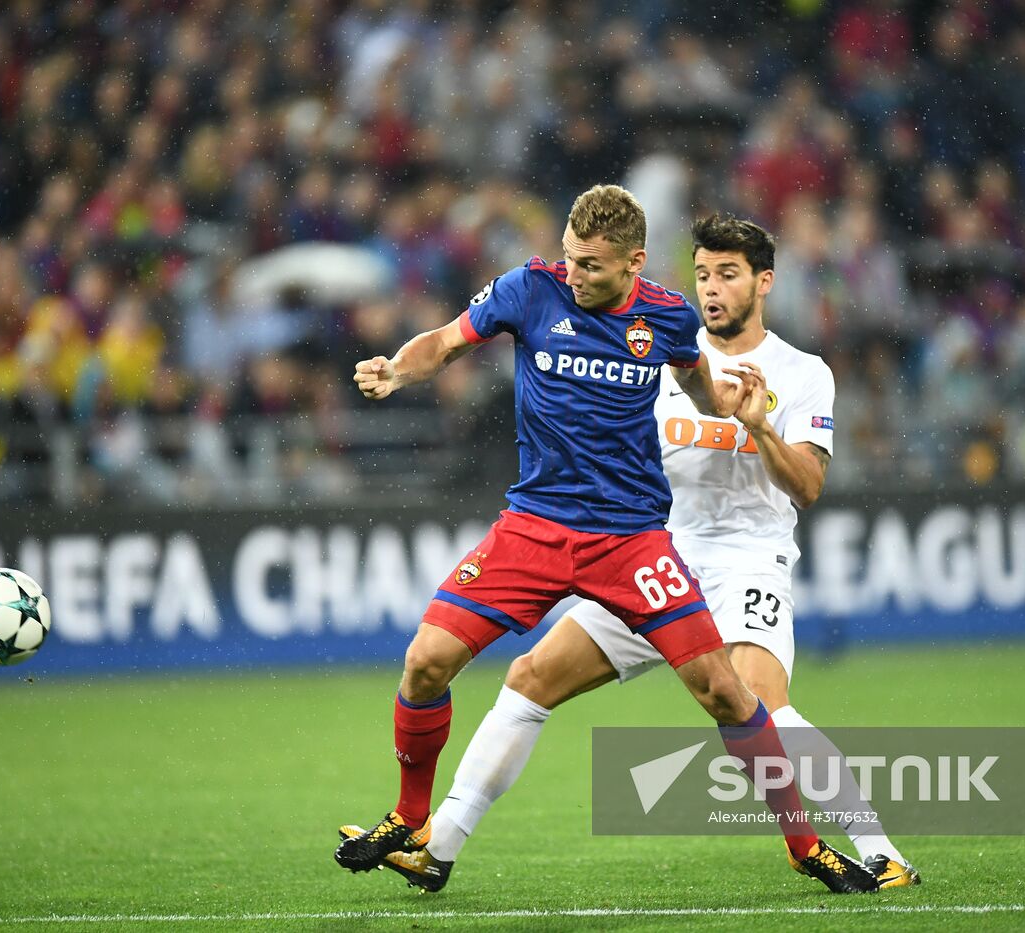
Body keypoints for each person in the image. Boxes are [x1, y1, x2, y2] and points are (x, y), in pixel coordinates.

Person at [336, 186, 878, 894]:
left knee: (726, 690)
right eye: (569, 258)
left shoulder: (667, 317)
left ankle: (808, 847)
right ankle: (414, 822)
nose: (575, 275)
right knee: (426, 662)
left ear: (633, 263)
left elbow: (700, 386)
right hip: (533, 527)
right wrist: (396, 371)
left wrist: (741, 410)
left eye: (590, 265)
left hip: (631, 541)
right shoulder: (530, 289)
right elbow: (442, 342)